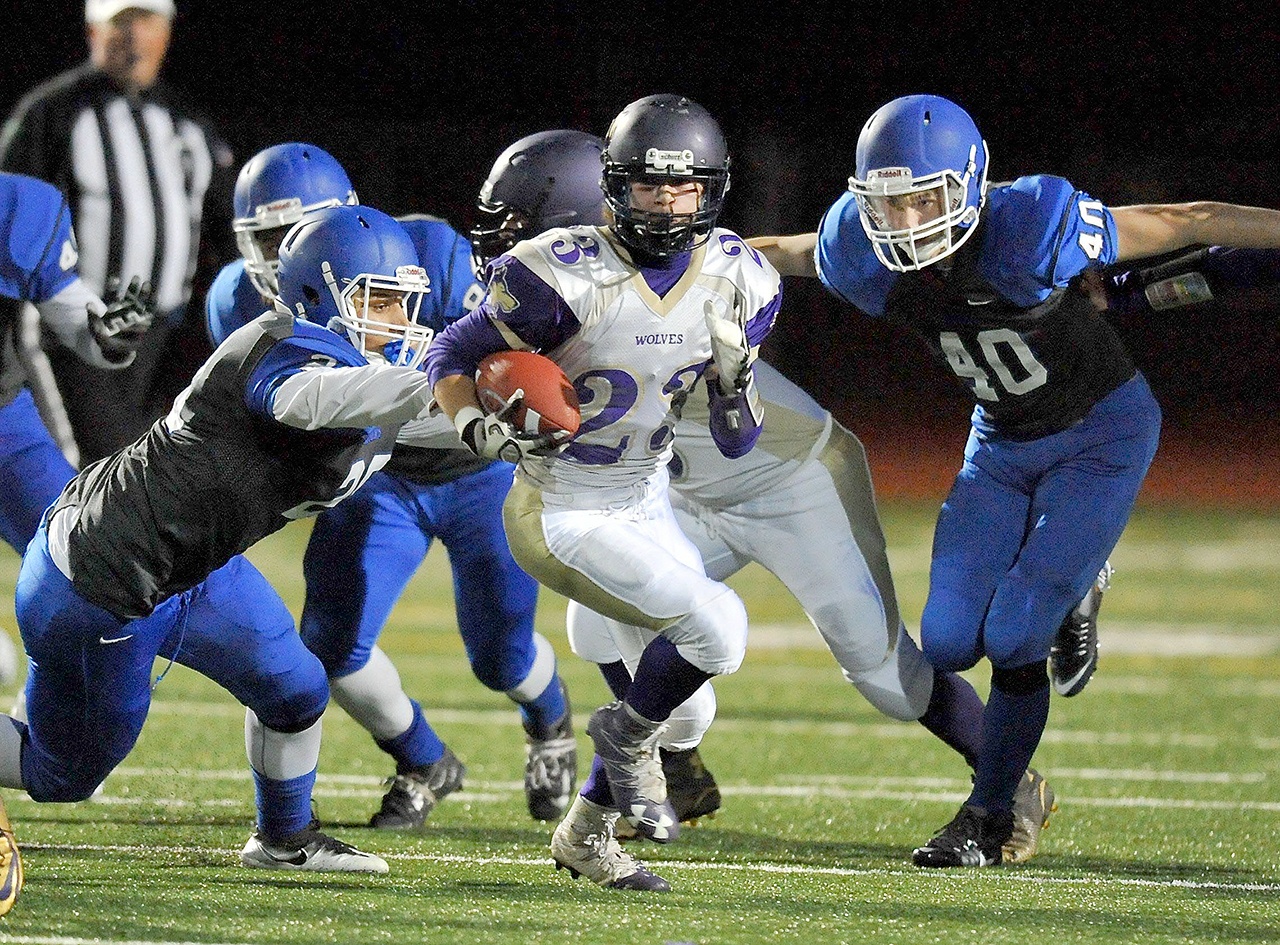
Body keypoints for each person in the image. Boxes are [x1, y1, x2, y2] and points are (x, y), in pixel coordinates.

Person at [748, 93, 1280, 868]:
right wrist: (687, 257)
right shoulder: (862, 251)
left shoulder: (1032, 226)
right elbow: (791, 251)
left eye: (924, 200)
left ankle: (989, 815)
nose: (906, 224)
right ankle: (1075, 583)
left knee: (1016, 634)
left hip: (1101, 433)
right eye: (889, 207)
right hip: (998, 444)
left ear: (969, 183)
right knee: (951, 642)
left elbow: (1187, 219)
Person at [0, 205, 463, 914]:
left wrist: (510, 419)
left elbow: (443, 424)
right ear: (319, 293)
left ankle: (285, 838)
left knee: (297, 690)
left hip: (194, 568)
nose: (399, 321)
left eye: (405, 302)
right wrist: (441, 382)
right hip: (104, 577)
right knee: (57, 774)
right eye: (380, 301)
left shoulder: (372, 377)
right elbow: (313, 400)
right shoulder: (276, 344)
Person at [428, 94, 780, 892]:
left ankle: (585, 833)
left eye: (685, 188)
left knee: (689, 711)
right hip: (560, 505)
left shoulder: (740, 279)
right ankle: (623, 742)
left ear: (712, 190)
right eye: (651, 187)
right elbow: (452, 350)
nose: (667, 204)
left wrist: (734, 383)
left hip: (643, 499)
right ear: (614, 186)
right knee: (718, 629)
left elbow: (734, 439)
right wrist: (476, 427)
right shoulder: (559, 273)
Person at [206, 141, 579, 828]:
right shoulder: (238, 300)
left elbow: (508, 366)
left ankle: (549, 720)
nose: (287, 251)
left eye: (302, 229)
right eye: (266, 238)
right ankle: (422, 758)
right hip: (376, 475)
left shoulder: (430, 256)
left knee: (501, 655)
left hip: (477, 473)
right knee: (331, 643)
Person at [0, 171, 157, 915]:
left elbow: (73, 316)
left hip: (3, 426)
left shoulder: (14, 205)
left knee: (87, 563)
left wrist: (104, 328)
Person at [0, 0, 235, 465]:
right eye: (121, 22)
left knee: (149, 480)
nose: (134, 37)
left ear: (166, 31)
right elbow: (9, 223)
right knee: (92, 474)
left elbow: (225, 226)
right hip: (71, 336)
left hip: (165, 340)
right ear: (93, 32)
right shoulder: (52, 114)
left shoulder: (187, 121)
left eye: (146, 21)